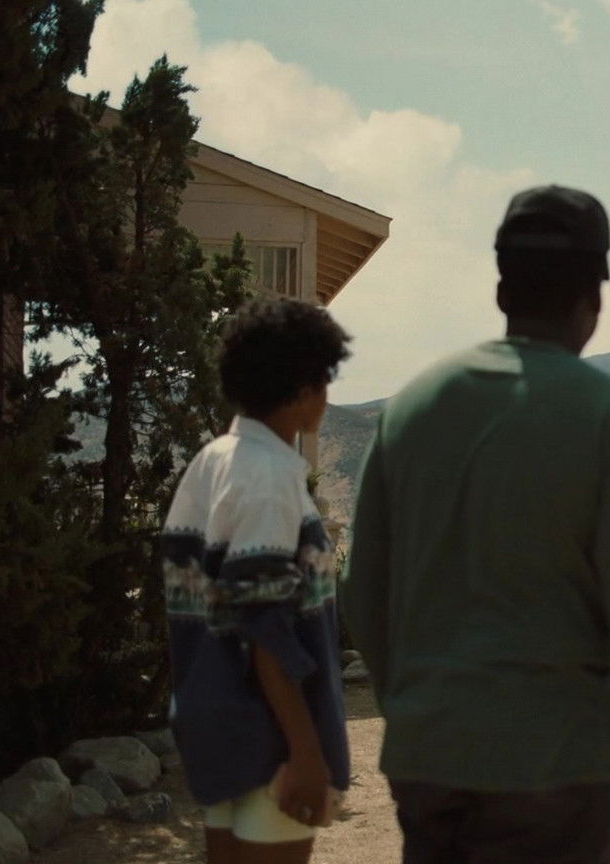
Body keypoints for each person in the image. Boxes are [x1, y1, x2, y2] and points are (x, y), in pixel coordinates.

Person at [341, 185, 610, 864]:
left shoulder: (410, 410)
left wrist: (419, 706)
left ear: (501, 290)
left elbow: (360, 591)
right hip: (557, 767)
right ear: (594, 298)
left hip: (430, 762)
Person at [161, 296, 354, 864]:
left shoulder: (212, 463)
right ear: (302, 388)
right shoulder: (268, 477)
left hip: (216, 723)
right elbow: (265, 621)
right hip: (269, 738)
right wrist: (307, 751)